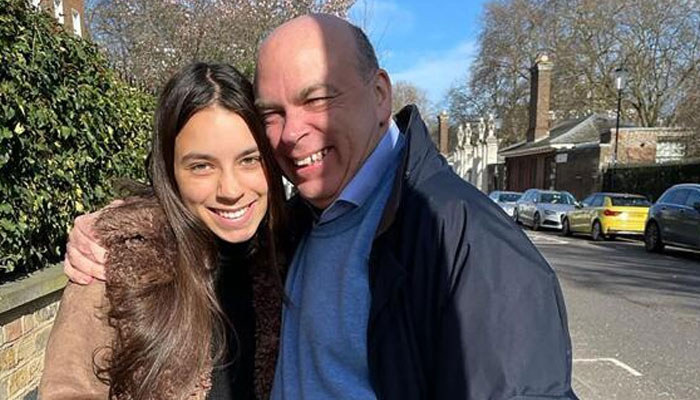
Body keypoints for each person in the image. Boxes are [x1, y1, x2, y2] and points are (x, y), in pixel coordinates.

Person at [65, 14, 578, 399]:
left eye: (318, 100)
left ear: (380, 94)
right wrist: (115, 230)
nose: (292, 134)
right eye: (273, 113)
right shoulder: (304, 222)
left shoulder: (462, 240)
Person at [40, 62, 286, 400]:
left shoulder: (294, 251)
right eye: (201, 166)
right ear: (170, 171)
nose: (230, 189)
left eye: (249, 160)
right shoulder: (114, 263)